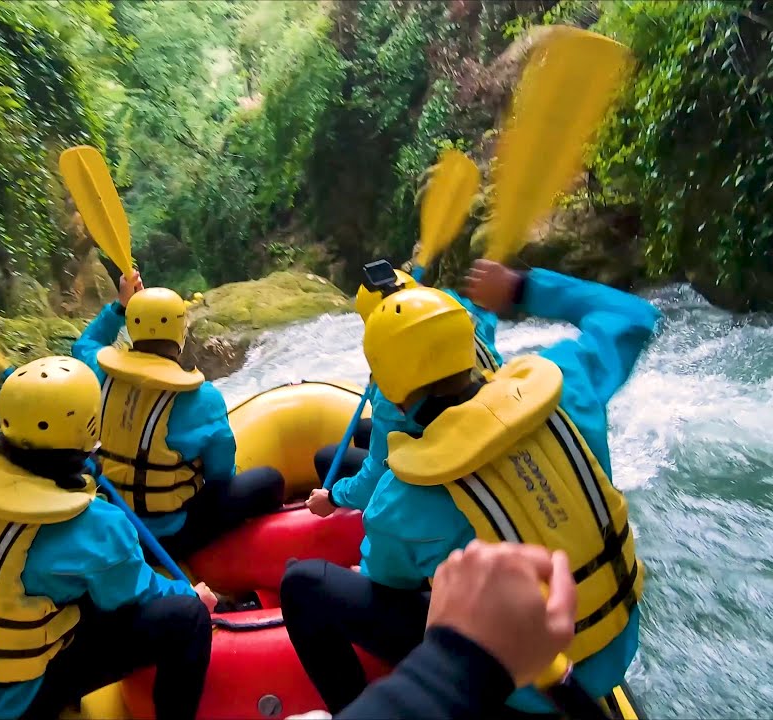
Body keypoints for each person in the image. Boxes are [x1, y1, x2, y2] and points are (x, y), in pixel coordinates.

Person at [282, 260, 661, 715]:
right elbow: (633, 316)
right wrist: (522, 288)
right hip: (619, 635)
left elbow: (386, 582)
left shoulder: (400, 498)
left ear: (390, 394)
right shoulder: (568, 384)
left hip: (520, 688)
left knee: (301, 583)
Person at [0, 356, 216, 720]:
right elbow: (140, 592)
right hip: (22, 702)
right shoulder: (93, 526)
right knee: (188, 616)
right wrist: (191, 594)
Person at [71, 271, 285, 560]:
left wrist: (121, 305)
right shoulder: (203, 399)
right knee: (269, 480)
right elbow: (221, 475)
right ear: (181, 334)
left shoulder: (97, 373)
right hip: (170, 537)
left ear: (131, 329)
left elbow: (84, 344)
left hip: (112, 526)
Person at [287, 541, 580, 720]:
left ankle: (348, 703)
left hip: (515, 682)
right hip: (582, 669)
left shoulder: (401, 495)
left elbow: (388, 576)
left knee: (301, 582)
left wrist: (449, 662)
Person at [306, 261, 503, 517]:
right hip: (472, 436)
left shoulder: (392, 393)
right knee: (364, 429)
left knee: (327, 457)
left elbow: (377, 475)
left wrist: (333, 497)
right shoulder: (465, 327)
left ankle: (359, 519)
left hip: (437, 473)